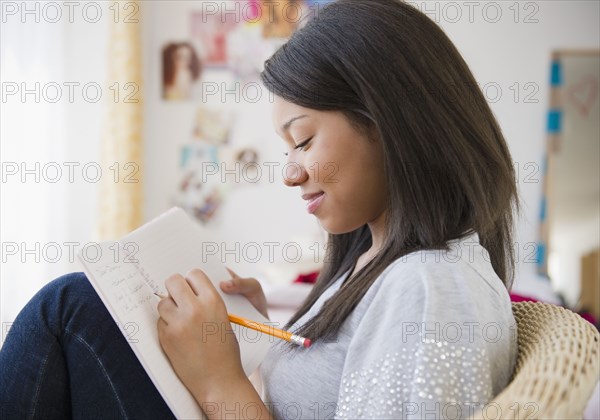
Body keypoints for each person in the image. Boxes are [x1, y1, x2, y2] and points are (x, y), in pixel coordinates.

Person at [0, 1, 520, 419]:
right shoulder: (378, 258)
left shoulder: (430, 290)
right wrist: (266, 329)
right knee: (79, 309)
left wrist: (219, 382)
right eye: (286, 150)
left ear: (391, 120)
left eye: (304, 139)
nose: (290, 174)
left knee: (69, 309)